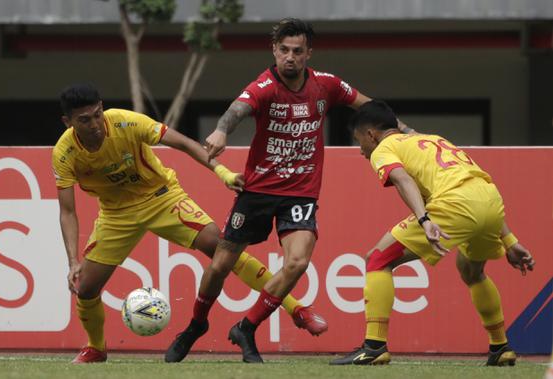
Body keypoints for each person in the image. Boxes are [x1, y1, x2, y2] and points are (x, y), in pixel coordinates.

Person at [165, 18, 406, 363]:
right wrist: (221, 131)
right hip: (258, 190)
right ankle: (195, 325)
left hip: (300, 193)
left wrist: (403, 130)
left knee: (297, 262)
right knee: (220, 265)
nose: (290, 57)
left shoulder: (327, 85)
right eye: (284, 50)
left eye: (297, 51)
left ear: (309, 53)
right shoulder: (264, 86)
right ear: (274, 51)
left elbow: (369, 108)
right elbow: (237, 110)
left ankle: (246, 327)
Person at [52, 83, 327, 364]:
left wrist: (223, 173)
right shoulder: (64, 153)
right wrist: (73, 260)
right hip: (116, 215)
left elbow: (183, 143)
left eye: (97, 114)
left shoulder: (126, 122)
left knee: (222, 249)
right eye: (84, 120)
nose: (95, 124)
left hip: (162, 199)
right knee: (85, 287)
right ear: (68, 122)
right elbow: (67, 211)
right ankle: (96, 348)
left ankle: (297, 309)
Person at [330, 100, 535, 366]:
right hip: (491, 201)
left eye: (359, 142)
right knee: (471, 270)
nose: (361, 151)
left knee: (377, 258)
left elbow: (402, 179)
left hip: (455, 204)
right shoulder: (433, 139)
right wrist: (509, 240)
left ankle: (373, 346)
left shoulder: (385, 147)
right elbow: (476, 187)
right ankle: (500, 347)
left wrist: (424, 219)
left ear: (371, 134)